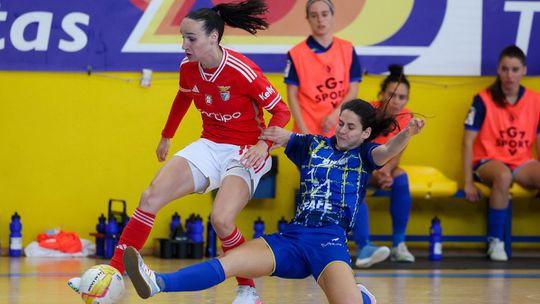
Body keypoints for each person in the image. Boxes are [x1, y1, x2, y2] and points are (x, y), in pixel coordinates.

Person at [69, 1, 291, 303]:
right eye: (182, 37)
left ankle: (248, 289)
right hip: (209, 144)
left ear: (213, 37)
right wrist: (166, 136)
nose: (184, 45)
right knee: (150, 197)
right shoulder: (188, 68)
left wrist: (263, 144)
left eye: (191, 38)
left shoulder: (243, 70)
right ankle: (111, 274)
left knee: (222, 221)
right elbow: (183, 98)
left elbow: (281, 111)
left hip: (245, 151)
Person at [122, 99, 426, 304]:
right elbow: (279, 134)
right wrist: (264, 136)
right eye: (341, 123)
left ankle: (361, 298)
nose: (342, 131)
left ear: (366, 133)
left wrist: (408, 134)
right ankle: (158, 282)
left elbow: (386, 154)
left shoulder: (364, 155)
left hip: (329, 243)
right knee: (229, 263)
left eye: (350, 127)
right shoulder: (313, 144)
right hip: (291, 239)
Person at [462, 45, 540, 262]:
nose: (509, 75)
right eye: (505, 69)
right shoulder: (483, 99)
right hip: (488, 162)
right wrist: (467, 181)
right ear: (498, 69)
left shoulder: (535, 100)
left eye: (515, 69)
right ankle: (495, 241)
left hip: (521, 162)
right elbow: (467, 142)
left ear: (524, 70)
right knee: (503, 176)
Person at [353, 65, 416, 268]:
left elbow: (397, 153)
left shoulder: (406, 117)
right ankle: (364, 247)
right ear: (381, 94)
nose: (396, 101)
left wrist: (386, 172)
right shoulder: (367, 114)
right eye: (392, 95)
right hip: (360, 165)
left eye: (402, 97)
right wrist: (376, 173)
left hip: (383, 167)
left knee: (401, 178)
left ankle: (399, 245)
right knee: (356, 184)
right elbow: (356, 151)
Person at [284, 0, 362, 136]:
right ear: (308, 19)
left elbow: (353, 89)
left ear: (332, 15)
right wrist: (303, 132)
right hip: (308, 129)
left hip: (341, 128)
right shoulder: (296, 53)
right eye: (314, 15)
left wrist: (335, 115)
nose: (320, 20)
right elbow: (292, 96)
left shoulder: (347, 48)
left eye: (324, 14)